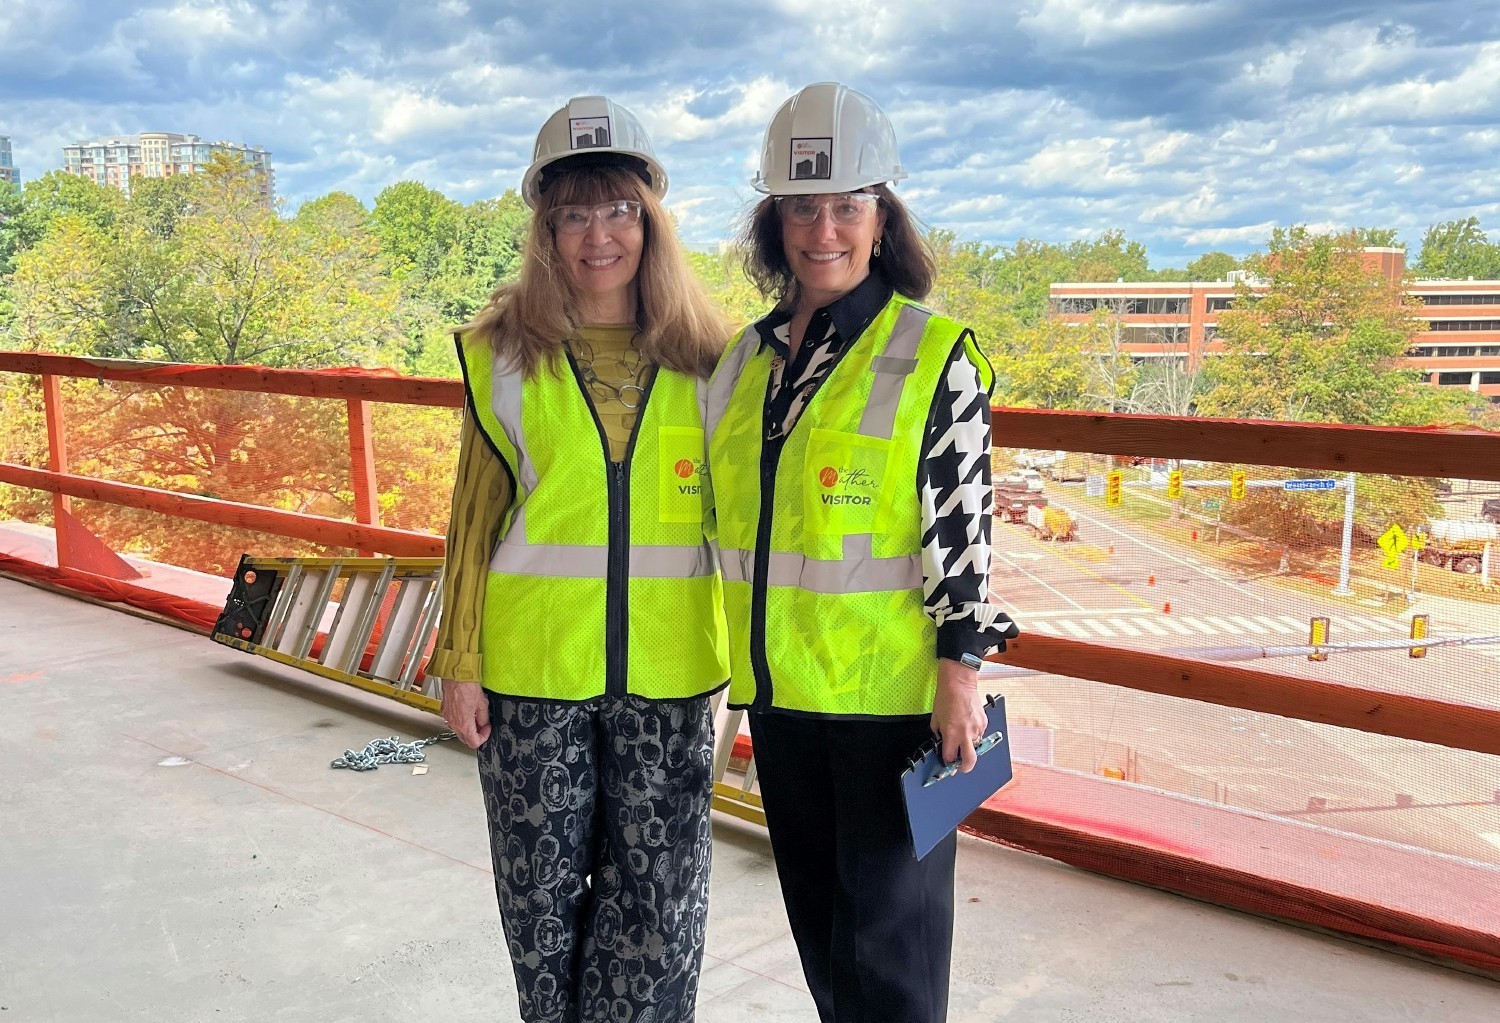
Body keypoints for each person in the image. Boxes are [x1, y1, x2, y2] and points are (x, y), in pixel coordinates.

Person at [703, 82, 1019, 1023]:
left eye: (847, 205)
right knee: (825, 938)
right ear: (775, 220)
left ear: (883, 218)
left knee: (894, 949)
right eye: (803, 205)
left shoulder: (933, 353)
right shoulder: (744, 360)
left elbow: (964, 525)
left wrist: (961, 673)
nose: (823, 229)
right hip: (786, 695)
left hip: (893, 707)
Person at [429, 95, 730, 1023]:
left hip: (671, 675)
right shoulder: (501, 355)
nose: (598, 235)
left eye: (618, 209)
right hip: (533, 674)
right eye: (572, 214)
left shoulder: (714, 358)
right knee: (541, 903)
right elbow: (472, 522)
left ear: (651, 219)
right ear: (545, 230)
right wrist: (460, 663)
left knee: (659, 904)